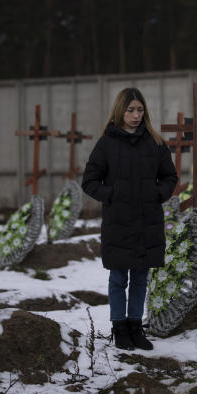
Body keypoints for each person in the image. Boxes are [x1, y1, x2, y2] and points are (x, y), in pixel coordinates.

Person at [81, 87, 178, 351]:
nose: (136, 115)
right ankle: (119, 328)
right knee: (118, 279)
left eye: (140, 110)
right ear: (120, 111)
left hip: (148, 222)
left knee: (139, 278)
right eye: (131, 110)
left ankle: (136, 328)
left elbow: (170, 177)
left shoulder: (155, 143)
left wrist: (157, 193)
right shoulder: (107, 144)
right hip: (119, 222)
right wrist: (112, 195)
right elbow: (89, 181)